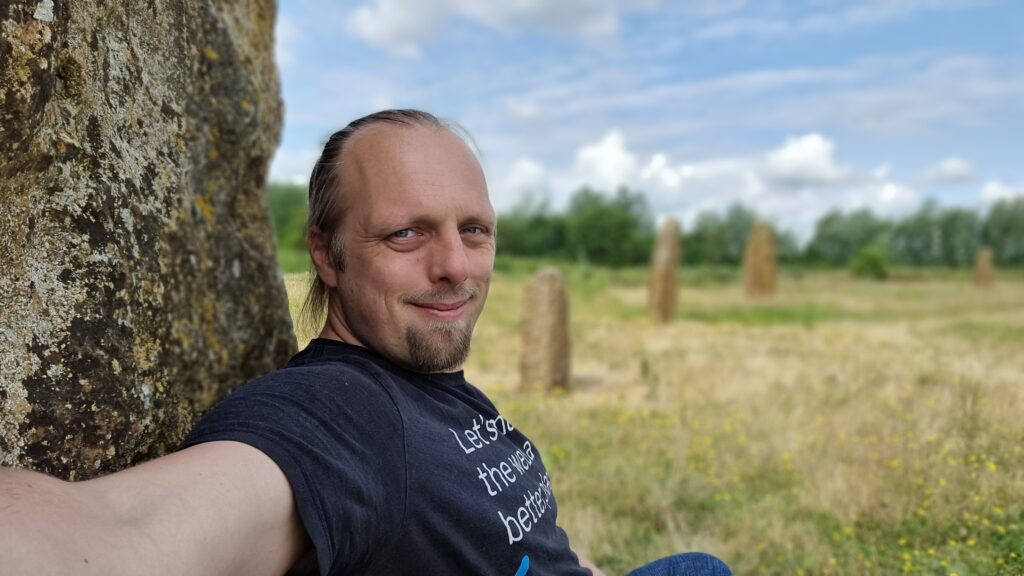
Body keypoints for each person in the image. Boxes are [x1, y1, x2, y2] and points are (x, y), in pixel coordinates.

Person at [0, 109, 731, 576]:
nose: (453, 267)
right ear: (327, 254)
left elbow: (525, 536)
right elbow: (121, 535)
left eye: (473, 230)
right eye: (405, 233)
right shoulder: (339, 410)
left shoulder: (425, 381)